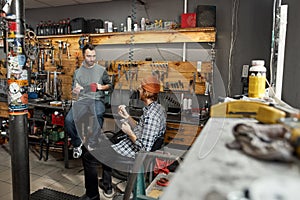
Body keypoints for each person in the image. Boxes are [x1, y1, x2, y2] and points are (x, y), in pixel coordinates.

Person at [79, 76, 166, 200]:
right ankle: (106, 184)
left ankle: (92, 196)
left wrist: (129, 133)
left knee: (89, 157)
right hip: (129, 144)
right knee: (104, 142)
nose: (138, 90)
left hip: (133, 152)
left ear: (147, 93)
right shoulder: (156, 108)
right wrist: (127, 117)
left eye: (141, 88)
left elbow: (144, 147)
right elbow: (141, 128)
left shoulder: (152, 116)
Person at [65, 43, 112, 158]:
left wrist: (101, 87)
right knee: (68, 120)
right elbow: (74, 91)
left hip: (97, 100)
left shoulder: (101, 70)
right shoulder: (78, 72)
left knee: (98, 114)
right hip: (82, 100)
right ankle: (77, 143)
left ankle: (92, 143)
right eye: (88, 56)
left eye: (93, 56)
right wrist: (76, 91)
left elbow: (110, 85)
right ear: (83, 56)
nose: (92, 59)